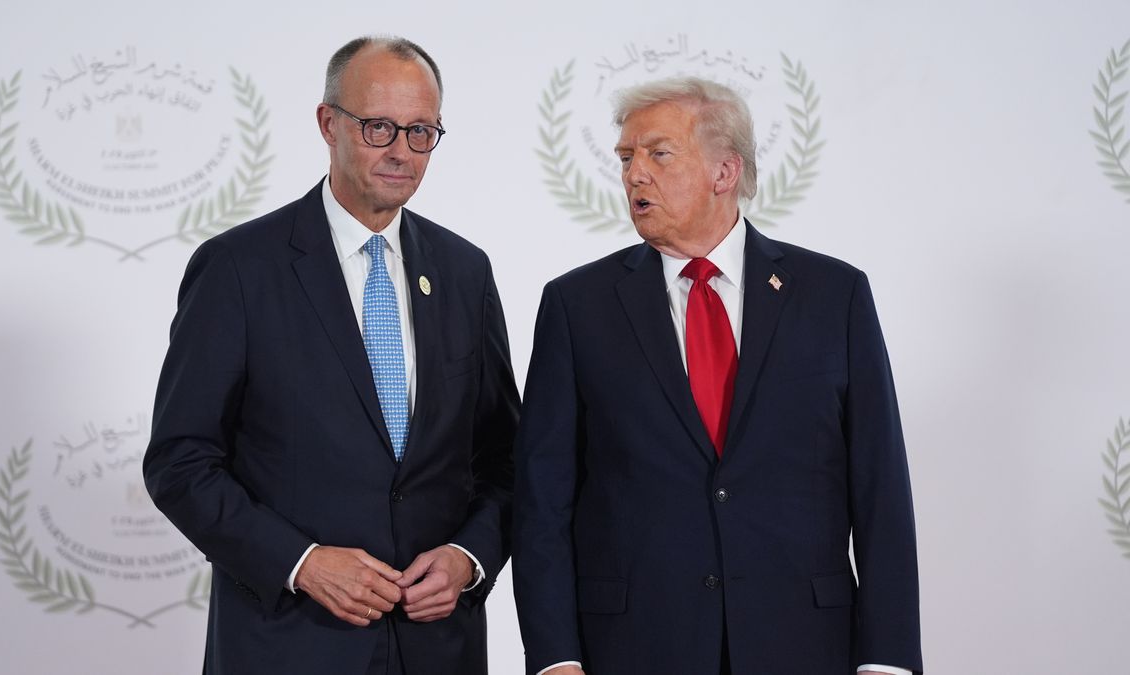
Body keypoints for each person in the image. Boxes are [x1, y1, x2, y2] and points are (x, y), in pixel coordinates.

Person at [512, 76, 921, 675]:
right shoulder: (578, 306)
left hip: (804, 645)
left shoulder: (835, 295)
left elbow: (880, 487)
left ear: (724, 171)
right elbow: (542, 502)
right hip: (636, 648)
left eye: (658, 153)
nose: (633, 174)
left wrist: (887, 661)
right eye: (626, 157)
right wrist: (555, 659)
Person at [143, 36, 519, 675]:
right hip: (288, 644)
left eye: (421, 131)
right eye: (379, 127)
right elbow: (180, 462)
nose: (401, 150)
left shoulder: (464, 271)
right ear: (328, 123)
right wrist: (300, 562)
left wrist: (468, 557)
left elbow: (506, 458)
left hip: (437, 649)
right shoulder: (239, 269)